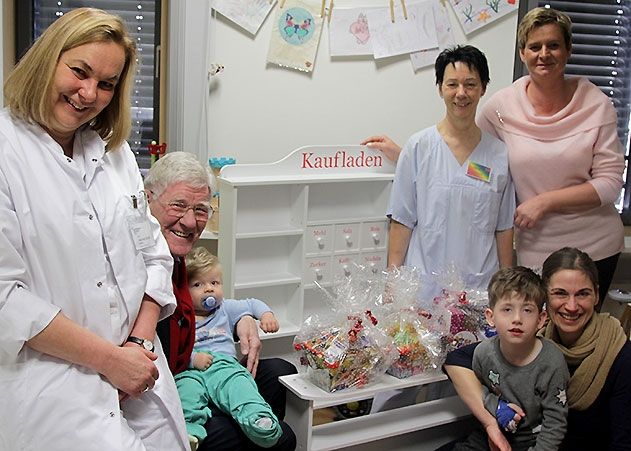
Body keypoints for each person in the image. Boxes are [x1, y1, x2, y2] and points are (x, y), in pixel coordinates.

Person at [0, 8, 188, 450]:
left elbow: (154, 253)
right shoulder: (7, 152)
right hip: (55, 382)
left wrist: (138, 346)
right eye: (79, 72)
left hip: (140, 369)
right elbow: (5, 297)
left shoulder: (114, 152)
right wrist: (109, 361)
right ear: (48, 60)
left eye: (106, 84)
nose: (89, 94)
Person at [365, 8, 626, 309]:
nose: (461, 93)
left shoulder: (592, 105)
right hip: (509, 258)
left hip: (581, 249)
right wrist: (410, 158)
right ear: (522, 52)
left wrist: (508, 279)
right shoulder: (492, 113)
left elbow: (607, 183)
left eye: (553, 45)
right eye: (534, 46)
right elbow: (453, 171)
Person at [371, 45, 516, 412]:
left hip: (477, 289)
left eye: (470, 83)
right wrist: (394, 282)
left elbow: (503, 226)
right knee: (400, 376)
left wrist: (506, 286)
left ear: (483, 87)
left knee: (463, 380)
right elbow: (402, 218)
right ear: (440, 88)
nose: (461, 93)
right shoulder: (419, 148)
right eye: (452, 84)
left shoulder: (498, 154)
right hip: (423, 285)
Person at [144, 151, 297, 451]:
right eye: (178, 205)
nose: (190, 221)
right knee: (283, 438)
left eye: (201, 209)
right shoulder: (138, 265)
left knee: (281, 372)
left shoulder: (179, 261)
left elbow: (218, 306)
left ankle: (254, 423)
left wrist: (243, 318)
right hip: (172, 387)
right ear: (148, 199)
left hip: (211, 370)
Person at [443, 247, 631, 451]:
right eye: (560, 293)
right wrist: (492, 418)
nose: (572, 306)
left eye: (583, 294)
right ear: (544, 299)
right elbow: (457, 359)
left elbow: (623, 443)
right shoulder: (528, 336)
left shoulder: (619, 357)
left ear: (596, 296)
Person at [176, 246, 283, 448]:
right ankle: (189, 434)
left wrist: (266, 315)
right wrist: (192, 359)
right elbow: (174, 348)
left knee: (240, 387)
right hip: (190, 370)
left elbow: (252, 304)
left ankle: (258, 420)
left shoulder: (224, 308)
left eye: (214, 283)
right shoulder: (180, 314)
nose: (209, 289)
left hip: (223, 367)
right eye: (198, 284)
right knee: (186, 395)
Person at [452, 266, 569, 450]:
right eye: (507, 309)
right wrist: (495, 405)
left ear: (541, 319)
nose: (517, 319)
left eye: (527, 310)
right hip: (489, 434)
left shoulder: (551, 362)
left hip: (533, 442)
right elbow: (479, 388)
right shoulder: (483, 353)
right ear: (491, 317)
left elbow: (555, 424)